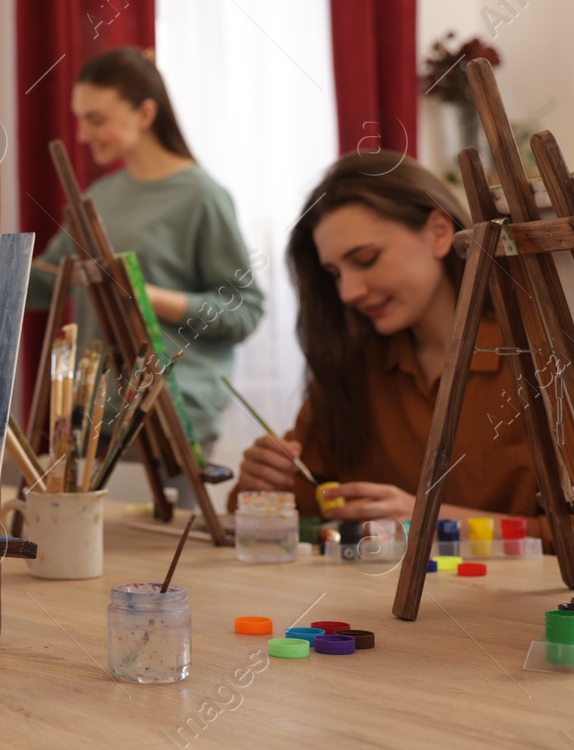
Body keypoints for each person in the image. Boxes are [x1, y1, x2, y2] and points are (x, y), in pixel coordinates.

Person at [233, 151, 545, 537]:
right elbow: (302, 511)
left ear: (438, 232)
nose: (348, 292)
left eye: (365, 259)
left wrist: (427, 517)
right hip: (371, 597)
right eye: (334, 274)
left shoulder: (546, 363)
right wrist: (260, 482)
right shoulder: (353, 371)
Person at [27, 46, 263, 486]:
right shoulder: (98, 196)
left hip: (168, 418)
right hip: (92, 417)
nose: (81, 135)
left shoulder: (201, 197)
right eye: (80, 119)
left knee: (161, 552)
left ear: (145, 113)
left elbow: (244, 310)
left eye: (96, 119)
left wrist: (145, 294)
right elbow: (46, 283)